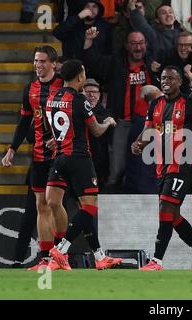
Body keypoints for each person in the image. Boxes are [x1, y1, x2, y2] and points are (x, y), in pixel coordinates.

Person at [131, 66, 192, 271]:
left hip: (182, 164)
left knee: (165, 209)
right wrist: (138, 142)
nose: (165, 81)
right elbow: (147, 130)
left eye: (170, 78)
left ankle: (156, 261)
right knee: (173, 216)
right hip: (162, 165)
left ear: (180, 82)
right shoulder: (155, 104)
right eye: (163, 78)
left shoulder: (190, 105)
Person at [45, 59, 121, 271]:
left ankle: (99, 257)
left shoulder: (52, 97)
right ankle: (60, 250)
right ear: (79, 76)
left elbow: (50, 127)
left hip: (59, 158)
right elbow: (96, 130)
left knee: (53, 201)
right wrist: (108, 122)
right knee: (89, 207)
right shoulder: (80, 100)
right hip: (79, 158)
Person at [2, 46, 64, 271]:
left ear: (54, 63)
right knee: (41, 205)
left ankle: (62, 253)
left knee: (57, 204)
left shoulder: (64, 86)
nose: (38, 65)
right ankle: (48, 257)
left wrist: (59, 138)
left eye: (43, 61)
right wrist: (12, 148)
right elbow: (24, 121)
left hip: (63, 156)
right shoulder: (31, 89)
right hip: (38, 155)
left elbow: (74, 118)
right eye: (36, 61)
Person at [83, 29, 157, 193]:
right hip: (123, 123)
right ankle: (112, 202)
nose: (138, 47)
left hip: (150, 125)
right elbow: (93, 62)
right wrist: (88, 41)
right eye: (133, 43)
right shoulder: (115, 63)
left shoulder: (154, 64)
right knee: (117, 168)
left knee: (147, 169)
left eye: (141, 43)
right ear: (126, 46)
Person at [82, 78, 111, 188]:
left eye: (94, 92)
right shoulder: (78, 108)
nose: (91, 95)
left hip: (99, 159)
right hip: (82, 157)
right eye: (88, 92)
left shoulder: (105, 111)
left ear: (99, 95)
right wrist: (107, 122)